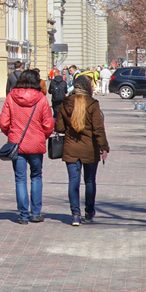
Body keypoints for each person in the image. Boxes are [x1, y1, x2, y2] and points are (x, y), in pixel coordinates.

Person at [0, 69, 54, 225]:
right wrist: (43, 136)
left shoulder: (11, 97)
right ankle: (35, 213)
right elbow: (48, 124)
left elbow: (3, 122)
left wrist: (11, 134)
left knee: (20, 179)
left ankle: (23, 215)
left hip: (17, 143)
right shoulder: (42, 99)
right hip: (36, 144)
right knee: (36, 177)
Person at [55, 74, 110, 226]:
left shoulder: (65, 103)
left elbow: (58, 127)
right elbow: (98, 128)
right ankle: (89, 212)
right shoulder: (93, 104)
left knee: (73, 181)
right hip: (89, 148)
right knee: (90, 181)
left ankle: (75, 215)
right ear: (87, 88)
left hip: (71, 148)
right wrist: (104, 147)